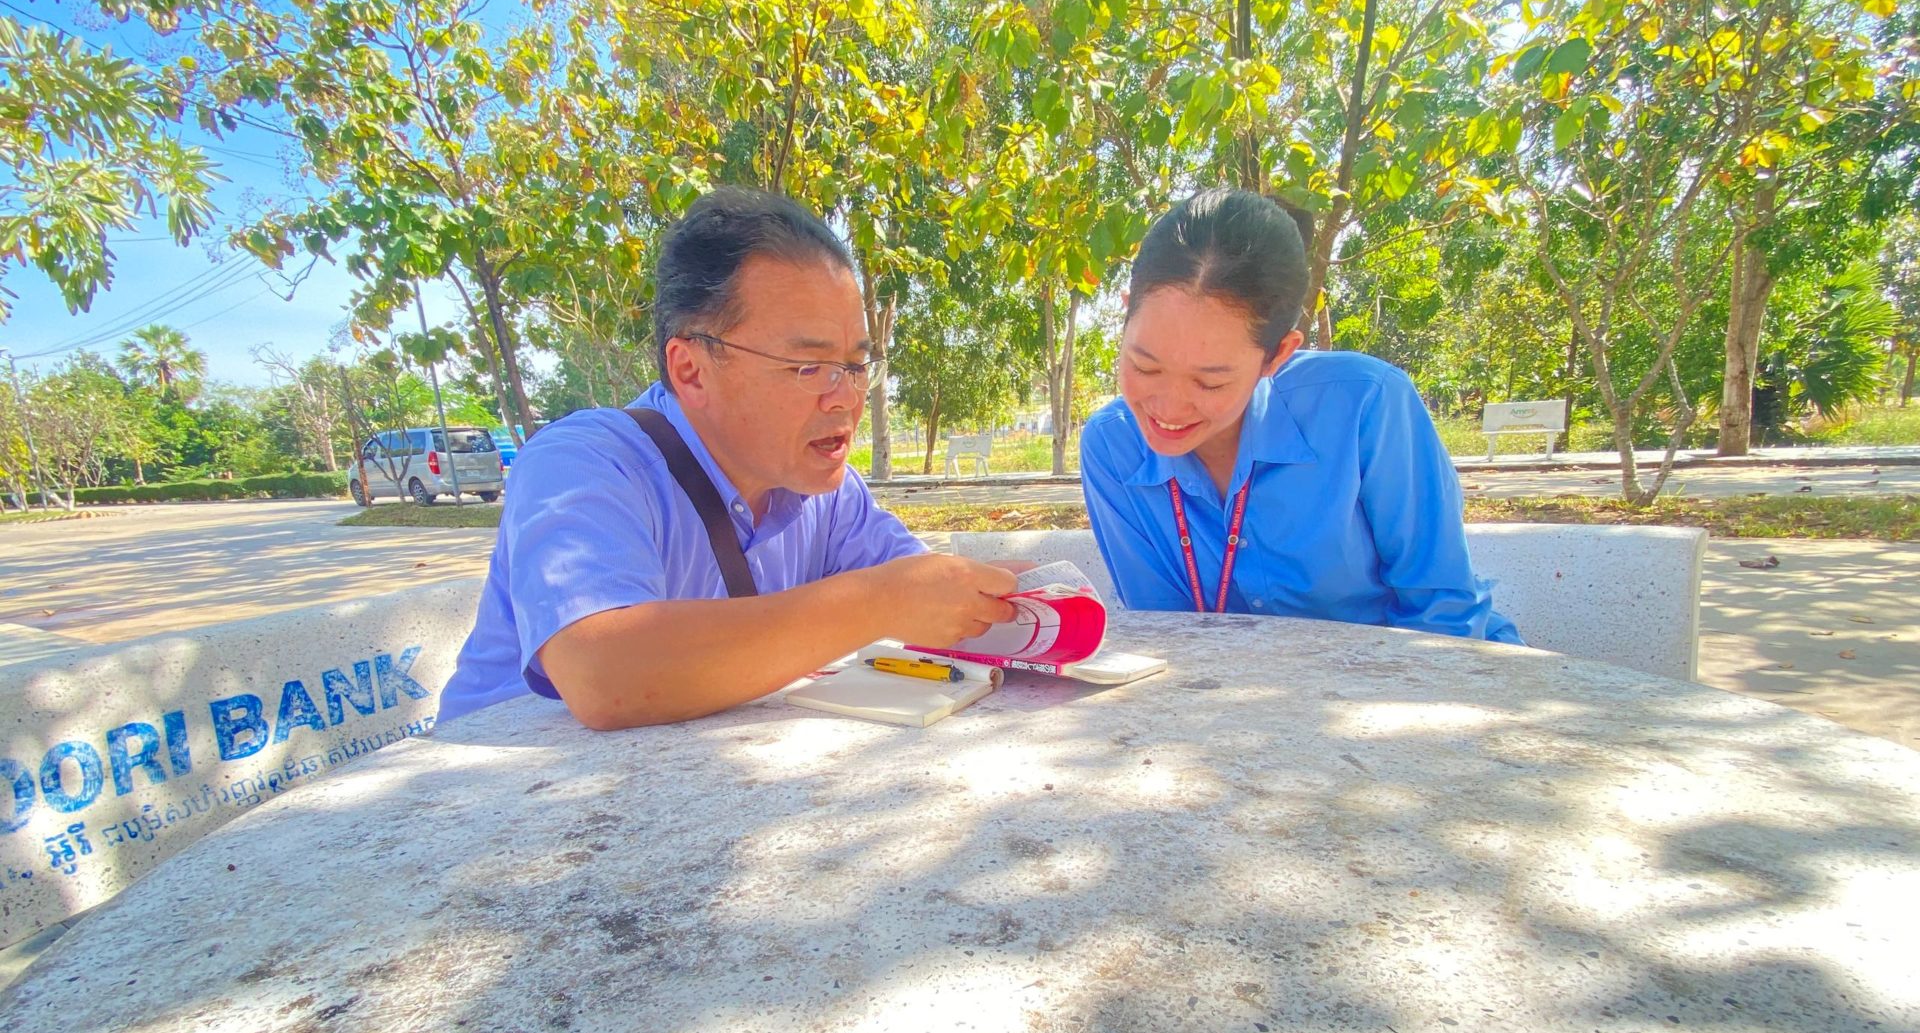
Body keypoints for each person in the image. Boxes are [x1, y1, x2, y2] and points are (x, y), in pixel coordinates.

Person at [437, 188, 1018, 729]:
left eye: (855, 365)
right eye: (807, 366)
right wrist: (878, 602)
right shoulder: (582, 464)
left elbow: (926, 596)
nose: (845, 396)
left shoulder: (827, 493)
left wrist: (1013, 594)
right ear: (691, 370)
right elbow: (602, 671)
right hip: (498, 791)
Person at [1079, 188, 1520, 644]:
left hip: (1425, 671)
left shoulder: (1366, 404)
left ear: (1278, 355)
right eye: (1145, 366)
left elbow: (1442, 614)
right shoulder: (1112, 447)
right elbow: (1169, 637)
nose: (1169, 408)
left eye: (1210, 383)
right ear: (1125, 317)